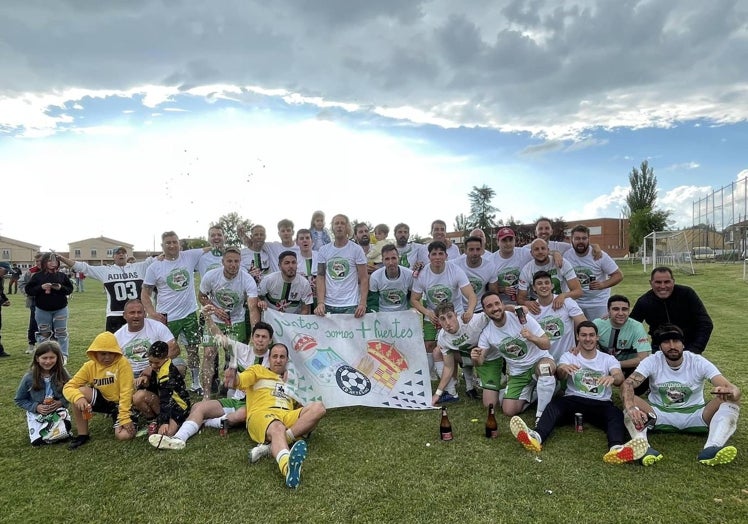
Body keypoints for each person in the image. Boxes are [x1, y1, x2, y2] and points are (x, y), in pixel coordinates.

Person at [509, 321, 648, 465]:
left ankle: (616, 449)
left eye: (591, 335)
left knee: (616, 415)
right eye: (583, 335)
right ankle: (536, 437)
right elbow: (561, 373)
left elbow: (619, 377)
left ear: (597, 337)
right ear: (578, 337)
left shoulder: (608, 359)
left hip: (600, 403)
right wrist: (563, 369)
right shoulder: (569, 356)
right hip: (573, 400)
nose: (588, 339)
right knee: (554, 407)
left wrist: (613, 377)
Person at [148, 312, 275, 453]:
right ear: (252, 337)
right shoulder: (241, 349)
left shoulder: (275, 357)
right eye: (257, 336)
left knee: (241, 415)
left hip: (257, 404)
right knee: (199, 407)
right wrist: (208, 318)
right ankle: (178, 439)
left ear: (270, 340)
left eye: (264, 337)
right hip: (237, 400)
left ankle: (208, 422)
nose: (260, 340)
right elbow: (219, 337)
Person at [621, 324, 741, 467]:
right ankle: (643, 448)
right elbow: (627, 384)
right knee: (629, 400)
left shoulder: (697, 361)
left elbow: (732, 388)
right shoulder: (652, 360)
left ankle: (712, 448)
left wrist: (732, 392)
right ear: (660, 347)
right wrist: (630, 407)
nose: (672, 345)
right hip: (658, 415)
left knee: (731, 401)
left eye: (676, 341)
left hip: (696, 415)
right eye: (666, 342)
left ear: (683, 344)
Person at [473, 292, 554, 422]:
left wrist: (531, 337)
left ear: (503, 304)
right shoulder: (487, 333)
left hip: (539, 361)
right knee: (508, 410)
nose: (495, 308)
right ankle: (539, 392)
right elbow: (480, 360)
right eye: (489, 306)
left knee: (545, 368)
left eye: (497, 303)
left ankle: (541, 415)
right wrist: (475, 357)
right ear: (484, 310)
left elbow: (546, 344)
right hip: (518, 373)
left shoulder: (521, 318)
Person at [142, 231, 206, 393]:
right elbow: (145, 293)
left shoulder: (189, 256)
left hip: (190, 313)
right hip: (167, 317)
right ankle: (163, 381)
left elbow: (210, 249)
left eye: (174, 242)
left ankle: (196, 382)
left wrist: (219, 242)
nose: (172, 245)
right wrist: (152, 313)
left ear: (180, 244)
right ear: (162, 246)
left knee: (193, 348)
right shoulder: (155, 266)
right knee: (165, 351)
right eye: (168, 243)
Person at [410, 240, 476, 382]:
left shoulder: (456, 270)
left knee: (457, 347)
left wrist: (469, 311)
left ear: (446, 256)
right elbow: (414, 299)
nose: (437, 257)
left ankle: (463, 379)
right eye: (434, 254)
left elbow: (471, 295)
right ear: (429, 257)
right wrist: (427, 312)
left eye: (441, 254)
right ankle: (430, 376)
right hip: (433, 314)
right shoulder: (422, 274)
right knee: (429, 345)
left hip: (454, 314)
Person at [199, 246, 260, 395]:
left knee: (234, 355)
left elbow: (252, 307)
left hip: (236, 319)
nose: (233, 265)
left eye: (237, 261)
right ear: (223, 262)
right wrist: (215, 309)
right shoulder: (211, 276)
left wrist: (255, 332)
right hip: (214, 319)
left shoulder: (247, 279)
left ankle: (231, 391)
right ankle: (206, 394)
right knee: (209, 353)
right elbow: (201, 296)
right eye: (230, 261)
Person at [57, 246, 158, 332]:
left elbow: (155, 260)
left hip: (137, 312)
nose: (121, 255)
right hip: (115, 313)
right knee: (114, 346)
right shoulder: (106, 271)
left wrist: (163, 255)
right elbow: (82, 267)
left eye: (123, 253)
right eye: (118, 253)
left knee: (139, 343)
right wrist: (62, 258)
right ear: (113, 256)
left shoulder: (138, 267)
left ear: (127, 256)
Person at [63, 332, 136, 449]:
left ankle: (132, 415)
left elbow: (126, 391)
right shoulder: (89, 366)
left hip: (121, 403)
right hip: (103, 400)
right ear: (95, 353)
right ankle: (83, 434)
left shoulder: (122, 363)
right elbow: (68, 387)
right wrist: (78, 398)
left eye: (111, 353)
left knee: (124, 436)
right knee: (79, 393)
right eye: (103, 354)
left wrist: (124, 417)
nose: (107, 357)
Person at [630, 266, 713, 354]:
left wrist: (695, 349)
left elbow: (705, 323)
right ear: (651, 283)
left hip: (689, 347)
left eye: (667, 282)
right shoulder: (644, 301)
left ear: (673, 282)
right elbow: (631, 327)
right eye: (658, 282)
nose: (663, 286)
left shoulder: (687, 294)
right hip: (660, 349)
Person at [14, 341, 72, 445]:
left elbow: (72, 391)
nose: (48, 361)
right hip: (38, 413)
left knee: (64, 429)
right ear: (37, 359)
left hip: (57, 410)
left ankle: (60, 430)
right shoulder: (29, 377)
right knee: (37, 441)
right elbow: (19, 399)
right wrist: (36, 407)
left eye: (52, 357)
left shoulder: (62, 373)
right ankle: (49, 434)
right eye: (44, 358)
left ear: (58, 358)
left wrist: (60, 402)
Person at [431, 302, 488, 405]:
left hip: (489, 357)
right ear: (439, 321)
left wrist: (515, 309)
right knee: (437, 352)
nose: (447, 322)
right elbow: (448, 367)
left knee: (494, 396)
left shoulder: (473, 321)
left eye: (450, 316)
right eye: (443, 319)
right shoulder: (443, 337)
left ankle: (478, 382)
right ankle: (451, 392)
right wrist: (437, 393)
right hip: (469, 357)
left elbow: (495, 314)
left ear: (456, 314)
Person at [563, 225, 623, 320]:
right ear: (571, 240)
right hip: (576, 302)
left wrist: (603, 284)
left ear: (589, 239)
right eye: (577, 238)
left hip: (598, 302)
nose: (581, 241)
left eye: (584, 238)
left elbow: (618, 275)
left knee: (600, 332)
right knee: (578, 333)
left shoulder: (599, 255)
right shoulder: (566, 256)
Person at [132, 341, 192, 437]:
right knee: (138, 396)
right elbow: (156, 389)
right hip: (168, 405)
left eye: (156, 363)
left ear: (166, 358)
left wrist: (165, 422)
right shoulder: (160, 367)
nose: (153, 366)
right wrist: (146, 381)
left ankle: (182, 421)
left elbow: (166, 400)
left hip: (179, 407)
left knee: (165, 434)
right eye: (150, 362)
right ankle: (153, 421)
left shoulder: (167, 374)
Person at [315, 214, 368, 317]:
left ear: (347, 227)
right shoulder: (323, 250)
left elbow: (364, 278)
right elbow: (320, 277)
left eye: (342, 223)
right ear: (332, 227)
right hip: (328, 304)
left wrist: (362, 303)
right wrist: (320, 302)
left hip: (351, 304)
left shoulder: (356, 249)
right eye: (336, 223)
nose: (339, 226)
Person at [24, 253, 74, 361]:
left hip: (60, 308)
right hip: (42, 309)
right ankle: (44, 355)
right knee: (44, 333)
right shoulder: (37, 276)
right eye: (50, 261)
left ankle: (63, 355)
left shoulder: (62, 276)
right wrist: (41, 287)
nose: (53, 263)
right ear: (44, 262)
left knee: (61, 332)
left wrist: (61, 288)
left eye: (55, 261)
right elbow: (29, 290)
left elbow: (70, 289)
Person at [593, 295, 651, 387]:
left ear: (629, 311)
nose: (621, 313)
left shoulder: (637, 326)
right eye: (616, 309)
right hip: (602, 365)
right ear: (608, 311)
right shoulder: (597, 324)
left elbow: (643, 359)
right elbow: (585, 346)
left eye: (624, 309)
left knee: (641, 384)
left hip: (627, 366)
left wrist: (614, 365)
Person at [114, 299, 180, 379]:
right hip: (131, 374)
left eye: (139, 312)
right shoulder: (117, 336)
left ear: (145, 314)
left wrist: (153, 367)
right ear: (124, 315)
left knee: (179, 365)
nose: (136, 316)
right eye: (132, 312)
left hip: (157, 369)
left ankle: (166, 388)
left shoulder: (157, 327)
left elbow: (175, 349)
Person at [528, 270, 586, 362]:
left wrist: (579, 347)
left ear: (552, 286)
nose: (543, 286)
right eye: (539, 283)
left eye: (547, 283)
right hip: (544, 359)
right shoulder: (531, 309)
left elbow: (585, 325)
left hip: (568, 358)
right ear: (534, 288)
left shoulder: (567, 302)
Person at [517, 239, 582, 314]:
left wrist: (563, 296)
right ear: (531, 253)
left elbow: (578, 292)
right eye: (536, 249)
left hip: (561, 303)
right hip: (539, 307)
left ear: (548, 250)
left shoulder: (561, 262)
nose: (540, 251)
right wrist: (527, 303)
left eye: (543, 248)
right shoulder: (527, 270)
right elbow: (520, 299)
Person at [258, 251, 313, 315]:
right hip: (270, 319)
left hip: (293, 321)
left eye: (293, 262)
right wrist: (260, 302)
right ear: (279, 266)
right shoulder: (269, 279)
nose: (291, 266)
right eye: (287, 263)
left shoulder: (304, 283)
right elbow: (257, 297)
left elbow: (306, 308)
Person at [452, 235, 498, 313]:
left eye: (478, 249)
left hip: (481, 308)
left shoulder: (490, 266)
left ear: (482, 250)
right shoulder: (455, 265)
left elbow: (493, 292)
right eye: (471, 249)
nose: (475, 253)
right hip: (459, 309)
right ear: (465, 251)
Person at [368, 244, 414, 312]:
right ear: (382, 261)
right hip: (383, 314)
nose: (391, 263)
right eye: (387, 259)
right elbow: (372, 302)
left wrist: (412, 310)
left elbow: (413, 299)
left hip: (403, 313)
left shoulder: (409, 274)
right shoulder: (375, 277)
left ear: (398, 258)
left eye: (393, 258)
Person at [492, 227, 532, 305]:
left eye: (511, 240)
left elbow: (541, 253)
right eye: (504, 240)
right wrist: (502, 289)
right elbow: (488, 287)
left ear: (515, 240)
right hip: (503, 304)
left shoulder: (523, 253)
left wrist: (555, 254)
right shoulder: (491, 260)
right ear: (497, 242)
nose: (508, 243)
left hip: (525, 301)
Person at [19, 253, 42, 353]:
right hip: (34, 301)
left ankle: (46, 344)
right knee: (33, 323)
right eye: (36, 261)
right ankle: (31, 344)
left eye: (40, 261)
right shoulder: (31, 272)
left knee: (49, 324)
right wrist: (28, 293)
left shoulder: (52, 271)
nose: (38, 263)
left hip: (50, 302)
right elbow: (22, 283)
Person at [0, 262, 9, 357]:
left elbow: (1, 292)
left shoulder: (1, 279)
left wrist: (5, 299)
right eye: (5, 271)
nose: (6, 273)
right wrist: (2, 302)